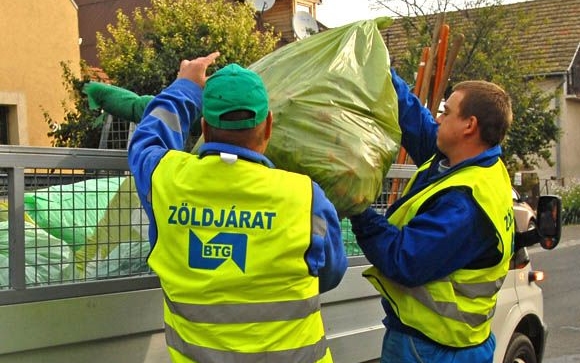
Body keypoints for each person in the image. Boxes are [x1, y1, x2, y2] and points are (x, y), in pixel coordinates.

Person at [128, 52, 347, 363]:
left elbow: (146, 141)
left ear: (204, 128)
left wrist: (186, 87)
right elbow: (330, 274)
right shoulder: (306, 196)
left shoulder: (165, 181)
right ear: (269, 124)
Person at [348, 69, 515, 363]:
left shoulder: (465, 205)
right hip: (444, 343)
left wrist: (357, 206)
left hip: (434, 349)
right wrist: (381, 68)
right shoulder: (465, 162)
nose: (438, 118)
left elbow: (403, 260)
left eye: (447, 112)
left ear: (469, 125)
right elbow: (415, 118)